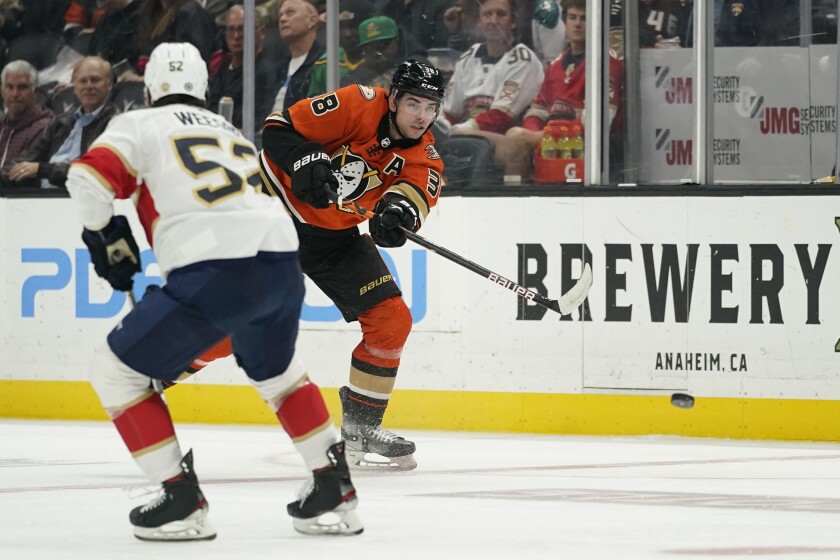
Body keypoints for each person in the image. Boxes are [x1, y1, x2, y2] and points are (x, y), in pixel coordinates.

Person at [64, 42, 363, 541]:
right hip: (282, 265)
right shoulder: (231, 133)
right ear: (203, 86)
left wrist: (104, 235)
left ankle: (181, 500)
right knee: (279, 374)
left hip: (215, 268)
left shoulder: (137, 124)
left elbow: (86, 179)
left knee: (115, 373)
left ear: (150, 85)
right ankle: (334, 487)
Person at [259, 60, 446, 470]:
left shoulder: (425, 157)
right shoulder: (357, 103)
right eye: (413, 103)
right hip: (270, 214)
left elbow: (414, 198)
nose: (421, 115)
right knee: (231, 322)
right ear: (394, 98)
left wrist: (396, 215)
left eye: (430, 107)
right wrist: (304, 158)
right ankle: (153, 375)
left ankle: (361, 427)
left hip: (331, 238)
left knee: (391, 319)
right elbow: (275, 128)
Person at [500, 0, 623, 177]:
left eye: (584, 18)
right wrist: (533, 134)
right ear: (565, 21)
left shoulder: (606, 63)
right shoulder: (556, 65)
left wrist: (538, 137)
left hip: (588, 153)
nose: (577, 24)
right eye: (572, 17)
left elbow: (597, 125)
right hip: (553, 147)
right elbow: (537, 112)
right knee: (516, 139)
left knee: (516, 139)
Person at [7, 56, 116, 189]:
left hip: (80, 197)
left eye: (95, 80)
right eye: (82, 81)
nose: (88, 86)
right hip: (41, 198)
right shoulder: (61, 121)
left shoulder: (115, 123)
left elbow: (93, 171)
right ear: (74, 87)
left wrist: (43, 169)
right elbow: (26, 158)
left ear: (109, 85)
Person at [208, 5, 279, 133]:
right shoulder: (222, 69)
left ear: (261, 32)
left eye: (242, 29)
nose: (236, 36)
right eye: (230, 30)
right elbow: (209, 108)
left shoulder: (265, 72)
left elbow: (255, 121)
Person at [307, 0, 374, 97]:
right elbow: (313, 105)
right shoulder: (325, 64)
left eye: (354, 26)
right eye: (342, 27)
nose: (347, 34)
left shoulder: (379, 60)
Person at [0, 60, 53, 182]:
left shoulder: (45, 126)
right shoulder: (1, 124)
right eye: (9, 87)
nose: (15, 94)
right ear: (2, 92)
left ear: (36, 92)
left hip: (23, 196)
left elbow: (17, 171)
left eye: (22, 87)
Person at [270, 0, 323, 114]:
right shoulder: (279, 68)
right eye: (280, 15)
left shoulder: (323, 62)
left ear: (312, 20)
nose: (282, 19)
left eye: (290, 13)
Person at [341, 15, 402, 90]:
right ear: (362, 49)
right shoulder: (351, 82)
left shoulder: (410, 74)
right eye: (370, 47)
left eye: (383, 45)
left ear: (396, 43)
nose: (377, 52)